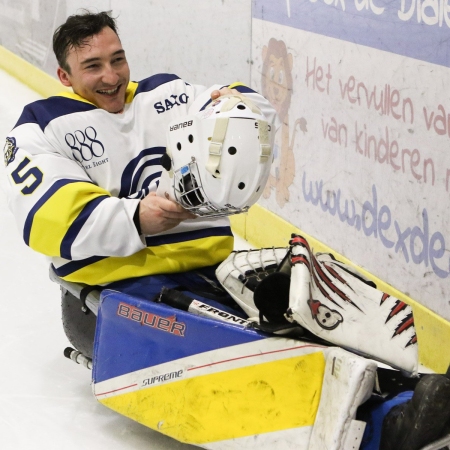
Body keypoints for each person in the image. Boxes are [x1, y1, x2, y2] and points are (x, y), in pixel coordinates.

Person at [3, 11, 278, 287]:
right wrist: (135, 218)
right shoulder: (41, 124)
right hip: (118, 284)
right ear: (64, 76)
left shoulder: (169, 93)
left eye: (117, 60)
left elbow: (257, 109)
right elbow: (44, 217)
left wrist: (236, 104)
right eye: (93, 66)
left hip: (213, 268)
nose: (111, 77)